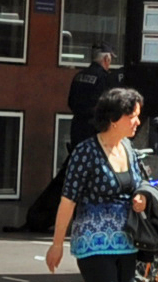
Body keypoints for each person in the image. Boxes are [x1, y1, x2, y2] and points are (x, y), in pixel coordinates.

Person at [46, 84, 150, 282]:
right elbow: (67, 200)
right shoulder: (86, 152)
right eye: (133, 117)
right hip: (92, 241)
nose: (138, 122)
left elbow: (142, 185)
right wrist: (57, 244)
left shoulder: (129, 149)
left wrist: (141, 198)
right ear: (115, 118)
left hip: (126, 242)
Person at [22, 48, 118, 233]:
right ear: (106, 59)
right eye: (110, 59)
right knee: (87, 180)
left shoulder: (79, 76)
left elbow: (71, 102)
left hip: (77, 130)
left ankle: (39, 217)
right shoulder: (104, 79)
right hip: (93, 133)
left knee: (70, 177)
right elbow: (105, 109)